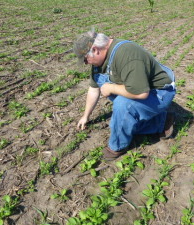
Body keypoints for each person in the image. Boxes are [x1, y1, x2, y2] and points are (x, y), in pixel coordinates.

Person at [73, 30, 176, 160]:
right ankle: (160, 122)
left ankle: (118, 146)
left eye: (85, 60)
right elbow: (93, 89)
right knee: (121, 120)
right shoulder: (99, 63)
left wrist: (111, 87)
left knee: (122, 105)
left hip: (159, 92)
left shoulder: (127, 54)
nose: (86, 64)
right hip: (140, 89)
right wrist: (85, 116)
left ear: (95, 50)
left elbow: (141, 93)